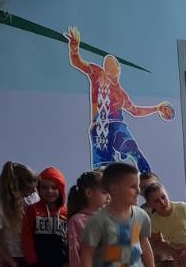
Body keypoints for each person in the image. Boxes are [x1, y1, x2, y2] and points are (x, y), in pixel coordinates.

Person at [64, 26, 173, 172]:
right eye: (107, 64)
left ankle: (147, 177)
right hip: (100, 126)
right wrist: (74, 49)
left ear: (119, 69)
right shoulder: (98, 73)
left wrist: (156, 108)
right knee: (104, 170)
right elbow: (78, 63)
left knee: (135, 152)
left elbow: (135, 111)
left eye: (113, 63)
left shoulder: (121, 94)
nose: (108, 65)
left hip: (117, 125)